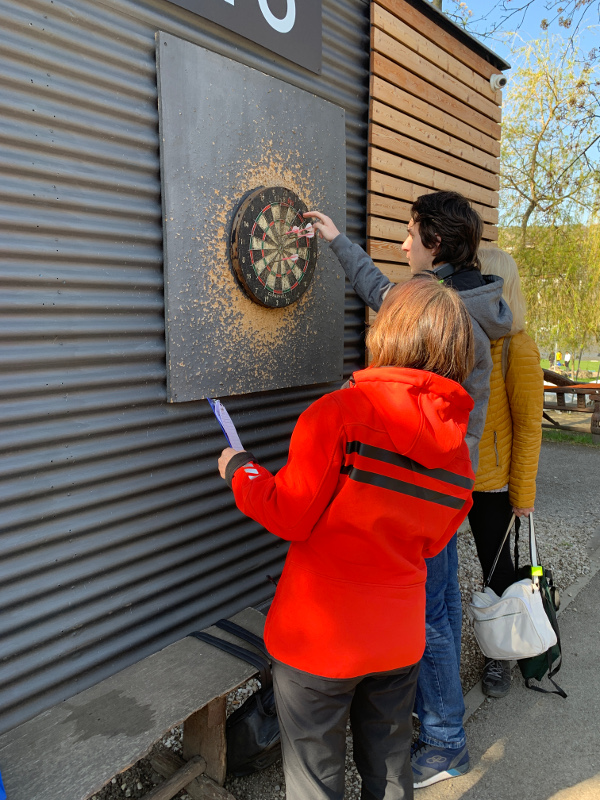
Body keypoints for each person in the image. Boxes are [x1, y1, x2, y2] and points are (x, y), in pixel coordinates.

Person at [218, 279, 476, 800]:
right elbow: (432, 543)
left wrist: (241, 470)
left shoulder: (337, 414)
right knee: (391, 770)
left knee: (315, 781)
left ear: (388, 333)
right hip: (398, 638)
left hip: (318, 641)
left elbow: (288, 515)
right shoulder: (458, 456)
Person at [305, 192, 512, 788]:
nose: (402, 245)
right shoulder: (468, 299)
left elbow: (388, 304)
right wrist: (337, 241)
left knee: (428, 616)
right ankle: (445, 720)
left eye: (410, 234)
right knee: (441, 603)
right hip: (447, 489)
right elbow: (380, 290)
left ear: (434, 244)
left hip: (420, 489)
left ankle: (445, 741)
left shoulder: (445, 315)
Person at [469, 247, 544, 697]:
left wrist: (523, 493)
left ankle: (503, 655)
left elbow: (530, 426)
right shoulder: (468, 339)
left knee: (497, 570)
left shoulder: (518, 346)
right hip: (455, 474)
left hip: (494, 484)